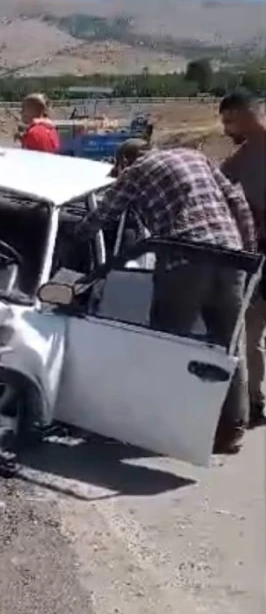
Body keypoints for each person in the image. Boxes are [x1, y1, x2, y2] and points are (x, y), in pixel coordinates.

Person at [75, 144, 257, 455]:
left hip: (184, 260)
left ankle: (163, 429)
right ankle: (232, 432)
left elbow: (104, 215)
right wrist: (249, 253)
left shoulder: (136, 172)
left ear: (124, 160)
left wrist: (74, 238)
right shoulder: (197, 156)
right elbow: (238, 200)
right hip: (232, 257)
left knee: (169, 347)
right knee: (229, 345)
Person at [219, 89, 266, 428]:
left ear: (247, 114)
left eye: (229, 121)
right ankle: (255, 402)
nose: (225, 130)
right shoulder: (240, 158)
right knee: (251, 333)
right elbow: (215, 183)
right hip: (259, 257)